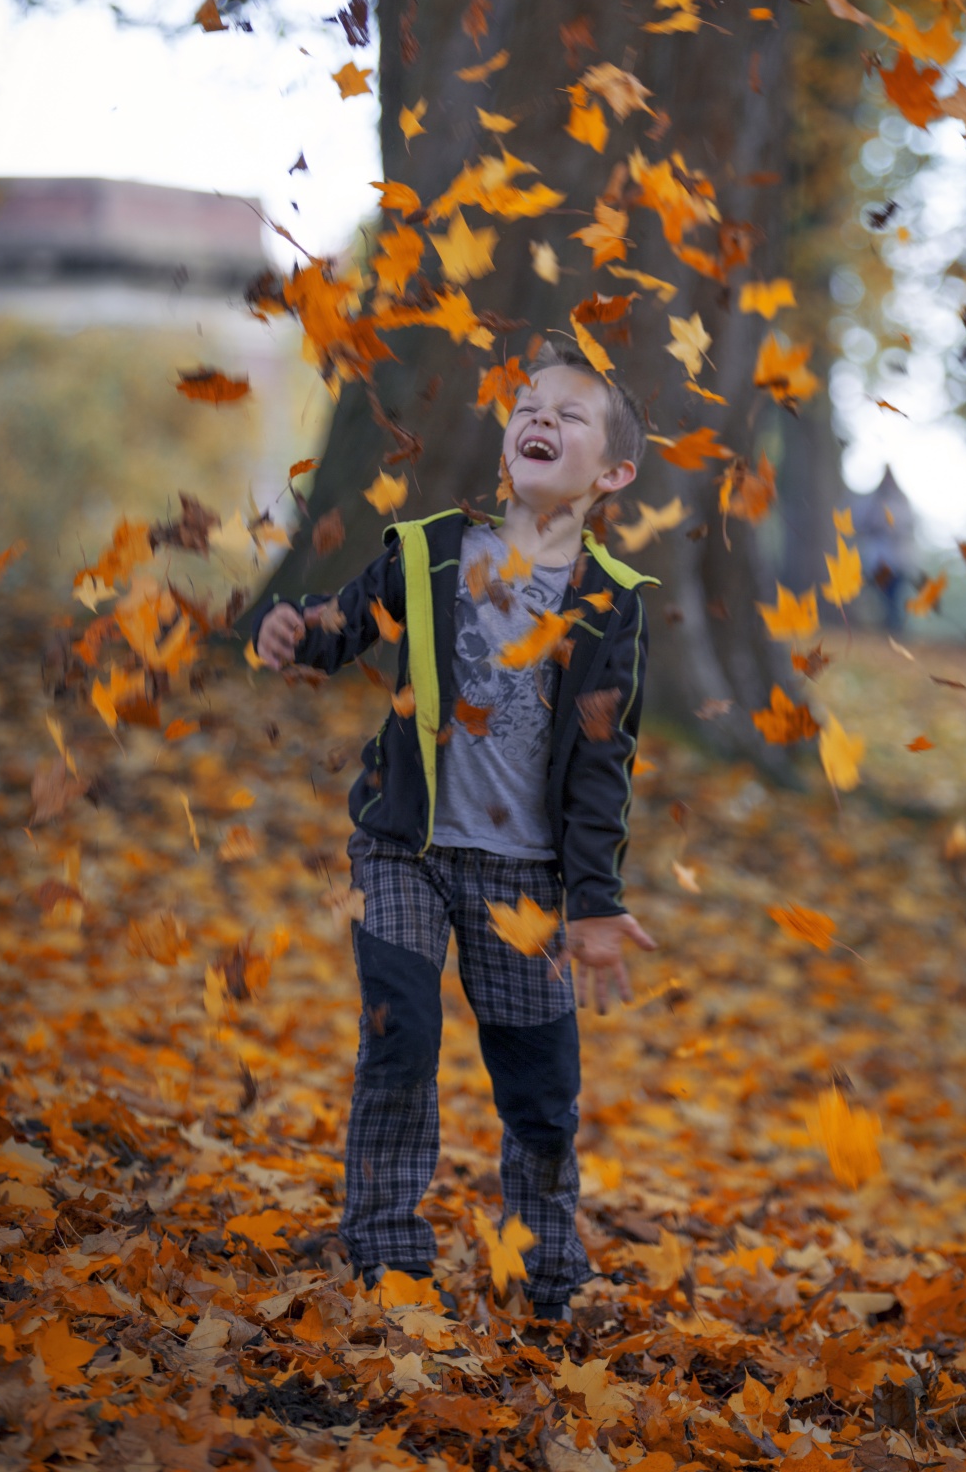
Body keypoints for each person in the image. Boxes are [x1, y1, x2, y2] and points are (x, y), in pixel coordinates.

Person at [253, 345, 658, 1322]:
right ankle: (387, 1259)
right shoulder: (431, 549)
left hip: (525, 885)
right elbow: (344, 624)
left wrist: (595, 905)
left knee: (540, 1091)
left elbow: (601, 765)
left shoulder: (610, 600)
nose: (542, 420)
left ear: (612, 474)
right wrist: (291, 630)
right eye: (529, 406)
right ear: (509, 440)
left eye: (570, 415)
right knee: (399, 1037)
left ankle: (544, 1273)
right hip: (405, 849)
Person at [853, 464, 916, 633]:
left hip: (899, 559)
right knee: (883, 596)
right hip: (879, 558)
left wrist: (895, 530)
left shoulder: (903, 501)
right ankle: (886, 628)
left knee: (895, 596)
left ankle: (896, 630)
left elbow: (909, 526)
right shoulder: (872, 502)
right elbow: (860, 524)